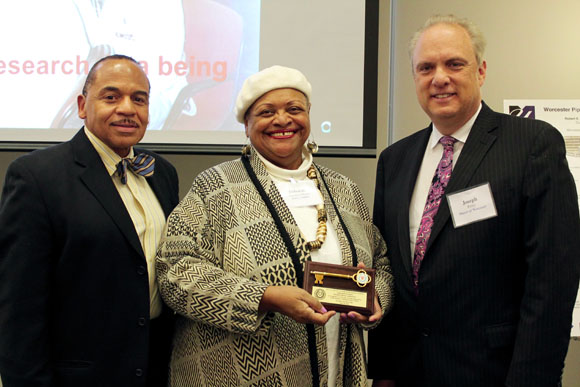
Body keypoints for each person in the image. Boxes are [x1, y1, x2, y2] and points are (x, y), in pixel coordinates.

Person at [368, 14, 580, 387]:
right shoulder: (395, 160)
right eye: (426, 67)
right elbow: (391, 269)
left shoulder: (532, 144)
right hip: (410, 372)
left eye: (454, 64)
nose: (439, 78)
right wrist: (384, 372)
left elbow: (553, 280)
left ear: (480, 71)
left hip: (495, 373)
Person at [156, 65, 394, 386]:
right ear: (246, 126)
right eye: (267, 112)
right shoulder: (215, 187)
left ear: (309, 116)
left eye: (294, 109)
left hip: (335, 370)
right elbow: (175, 271)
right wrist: (263, 297)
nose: (282, 120)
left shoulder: (344, 190)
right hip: (237, 374)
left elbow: (380, 260)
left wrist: (376, 297)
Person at [0, 55, 179, 386]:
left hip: (154, 369)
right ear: (83, 105)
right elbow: (19, 307)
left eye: (139, 99)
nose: (127, 108)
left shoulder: (162, 173)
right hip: (80, 376)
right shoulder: (36, 176)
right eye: (111, 97)